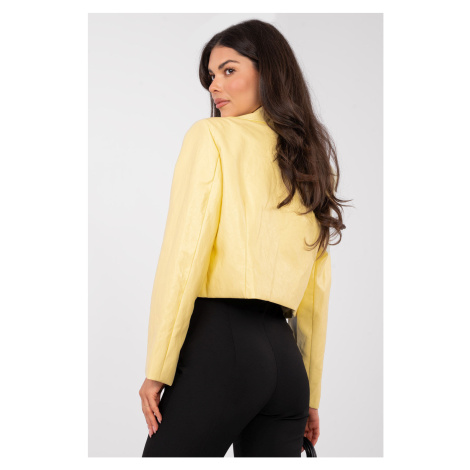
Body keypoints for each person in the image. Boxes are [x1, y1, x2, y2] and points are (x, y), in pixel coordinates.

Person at [139, 19, 350, 457]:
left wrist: (158, 367)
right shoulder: (308, 163)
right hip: (286, 367)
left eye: (229, 70)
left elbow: (185, 256)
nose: (214, 85)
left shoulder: (212, 136)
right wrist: (310, 393)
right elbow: (316, 291)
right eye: (211, 75)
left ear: (267, 71)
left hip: (222, 349)